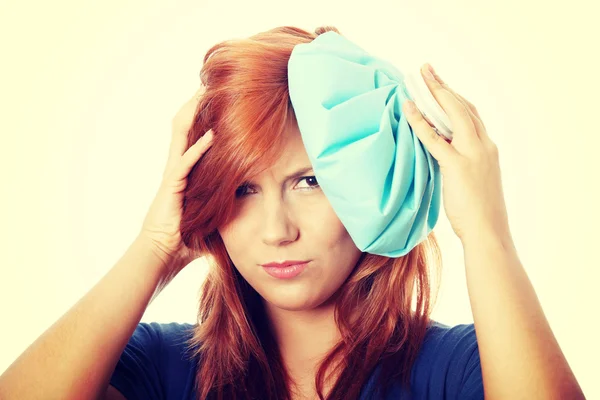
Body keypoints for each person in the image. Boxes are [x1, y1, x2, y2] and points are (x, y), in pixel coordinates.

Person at [0, 25, 583, 400]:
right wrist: (155, 248)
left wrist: (486, 233)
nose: (277, 231)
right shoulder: (164, 369)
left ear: (373, 185)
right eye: (242, 190)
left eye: (309, 180)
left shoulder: (451, 368)